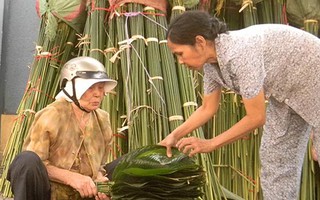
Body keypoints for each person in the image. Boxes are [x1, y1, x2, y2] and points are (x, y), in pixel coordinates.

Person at [159, 10, 320, 200]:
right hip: (286, 93)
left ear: (200, 42)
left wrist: (210, 144)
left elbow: (257, 117)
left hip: (314, 77)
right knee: (275, 159)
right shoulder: (212, 66)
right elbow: (207, 108)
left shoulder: (240, 54)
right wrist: (174, 136)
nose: (180, 61)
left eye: (180, 53)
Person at [7, 56, 118, 200]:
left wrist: (100, 179)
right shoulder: (51, 115)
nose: (98, 94)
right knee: (26, 160)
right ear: (72, 87)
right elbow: (36, 166)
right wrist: (71, 178)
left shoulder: (103, 119)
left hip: (86, 193)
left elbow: (101, 165)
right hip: (51, 194)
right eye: (90, 87)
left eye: (101, 87)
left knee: (131, 165)